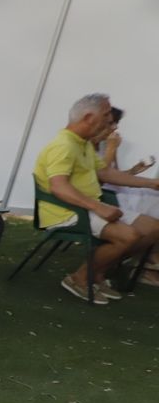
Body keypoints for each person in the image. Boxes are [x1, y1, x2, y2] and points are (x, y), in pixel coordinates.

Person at [34, 94, 159, 303]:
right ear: (89, 117)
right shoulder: (63, 145)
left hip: (85, 205)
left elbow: (106, 174)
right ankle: (79, 278)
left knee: (153, 228)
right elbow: (59, 186)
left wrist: (152, 183)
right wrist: (98, 207)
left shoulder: (81, 143)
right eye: (106, 116)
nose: (109, 122)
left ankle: (98, 272)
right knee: (128, 236)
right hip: (67, 211)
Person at [97, 106, 159, 273]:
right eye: (112, 123)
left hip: (115, 189)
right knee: (153, 199)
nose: (115, 128)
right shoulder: (90, 146)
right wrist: (111, 148)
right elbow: (101, 177)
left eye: (116, 123)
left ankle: (148, 253)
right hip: (103, 196)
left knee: (154, 196)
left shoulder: (105, 144)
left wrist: (134, 170)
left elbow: (113, 175)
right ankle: (146, 254)